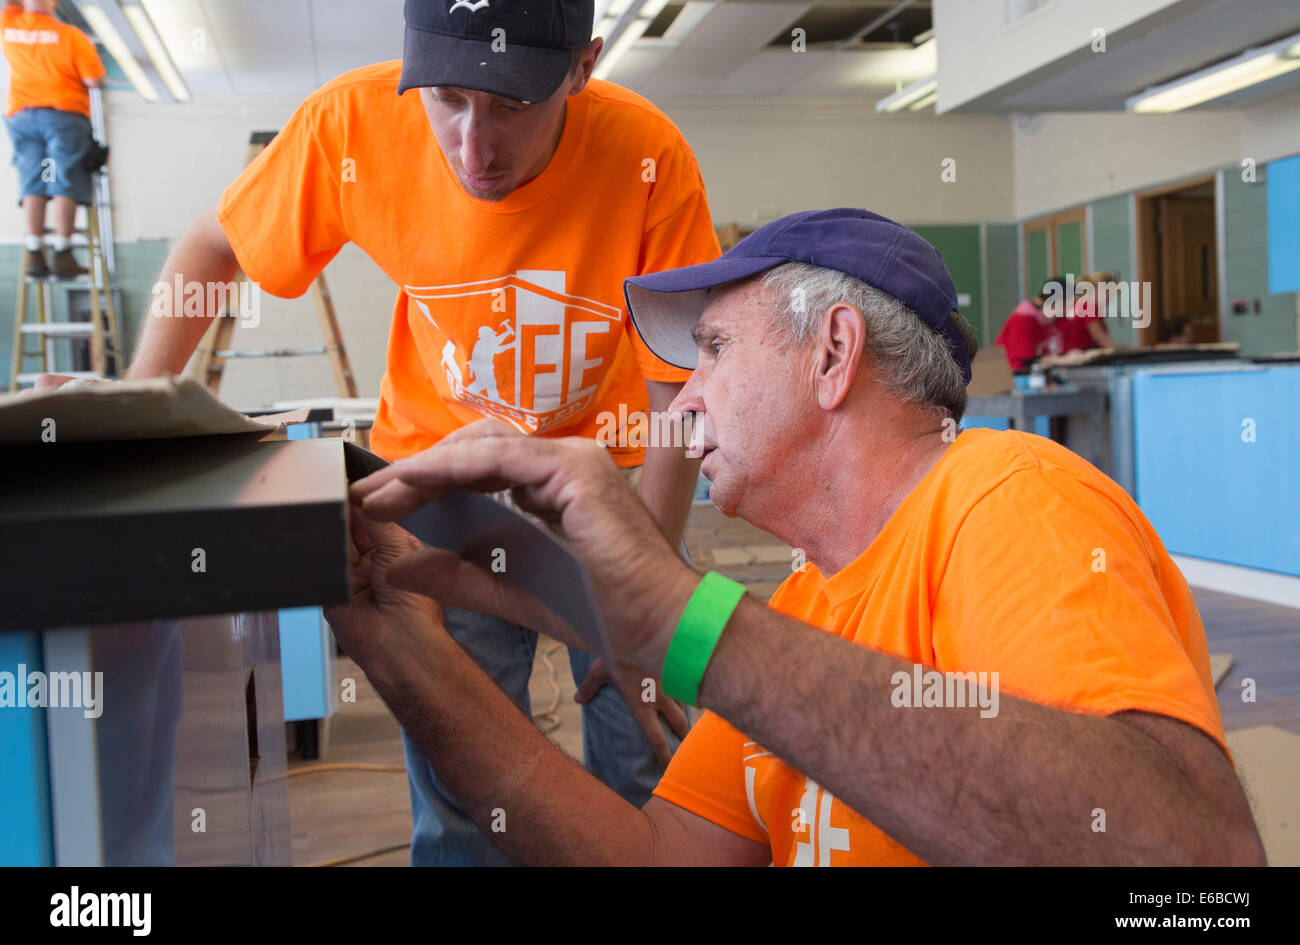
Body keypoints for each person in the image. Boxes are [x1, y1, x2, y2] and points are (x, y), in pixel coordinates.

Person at [328, 208, 1265, 866]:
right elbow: (660, 857)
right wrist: (409, 655)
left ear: (833, 353)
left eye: (715, 349)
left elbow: (1199, 868)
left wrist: (679, 620)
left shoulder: (1009, 493)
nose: (683, 403)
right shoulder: (804, 604)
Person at [121, 0, 719, 865]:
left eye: (512, 105)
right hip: (445, 484)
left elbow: (678, 391)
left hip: (614, 478)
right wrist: (141, 425)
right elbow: (213, 250)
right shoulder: (350, 122)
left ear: (582, 68)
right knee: (465, 787)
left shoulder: (648, 154)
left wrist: (644, 589)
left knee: (648, 762)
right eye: (446, 98)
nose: (473, 150)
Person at [1, 0, 104, 278]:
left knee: (33, 179)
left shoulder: (9, 25)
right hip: (63, 114)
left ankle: (34, 250)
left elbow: (8, 4)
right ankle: (62, 251)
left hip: (22, 116)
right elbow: (94, 80)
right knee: (62, 176)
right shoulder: (71, 37)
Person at [994, 276, 1065, 370]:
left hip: (1030, 371)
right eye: (1064, 305)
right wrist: (1064, 360)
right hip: (1012, 373)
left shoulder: (1046, 319)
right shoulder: (1023, 319)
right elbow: (1026, 361)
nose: (1065, 311)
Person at [1060, 270, 1118, 352]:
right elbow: (1098, 334)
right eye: (1108, 291)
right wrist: (1116, 351)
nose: (1110, 297)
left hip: (1070, 353)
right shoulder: (1090, 306)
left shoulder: (1078, 303)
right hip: (1080, 355)